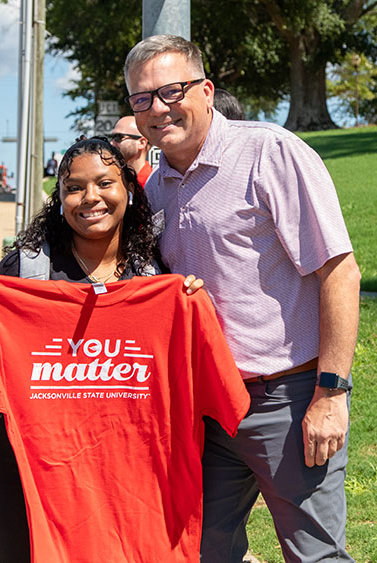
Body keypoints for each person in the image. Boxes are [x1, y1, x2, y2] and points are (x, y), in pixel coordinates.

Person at [124, 34, 361, 562]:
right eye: (142, 99)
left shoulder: (269, 152)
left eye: (171, 91)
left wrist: (331, 394)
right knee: (200, 551)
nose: (158, 108)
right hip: (205, 408)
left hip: (287, 397)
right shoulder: (155, 185)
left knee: (315, 555)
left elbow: (340, 272)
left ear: (206, 90)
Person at [0, 136, 244, 562]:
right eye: (74, 187)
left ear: (128, 189)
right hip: (22, 465)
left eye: (105, 183)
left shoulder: (155, 278)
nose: (91, 198)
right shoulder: (27, 269)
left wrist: (190, 304)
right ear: (60, 198)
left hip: (125, 476)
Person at [109, 116, 153, 187]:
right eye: (112, 137)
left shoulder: (152, 186)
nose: (111, 143)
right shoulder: (115, 182)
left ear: (142, 143)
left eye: (119, 137)